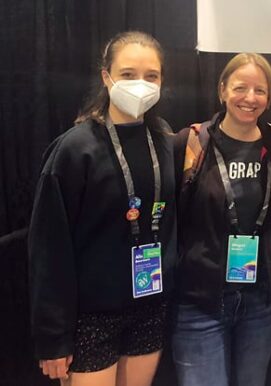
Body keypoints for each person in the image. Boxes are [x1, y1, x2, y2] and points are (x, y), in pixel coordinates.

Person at [28, 31, 176, 386]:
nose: (140, 84)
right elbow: (49, 247)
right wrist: (53, 336)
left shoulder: (164, 140)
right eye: (128, 74)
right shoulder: (75, 148)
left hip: (148, 304)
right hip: (90, 315)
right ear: (106, 76)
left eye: (151, 76)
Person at [170, 53, 271, 386]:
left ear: (269, 97)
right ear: (223, 89)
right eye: (241, 87)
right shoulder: (190, 144)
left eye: (260, 90)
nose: (250, 98)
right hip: (200, 300)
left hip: (264, 301)